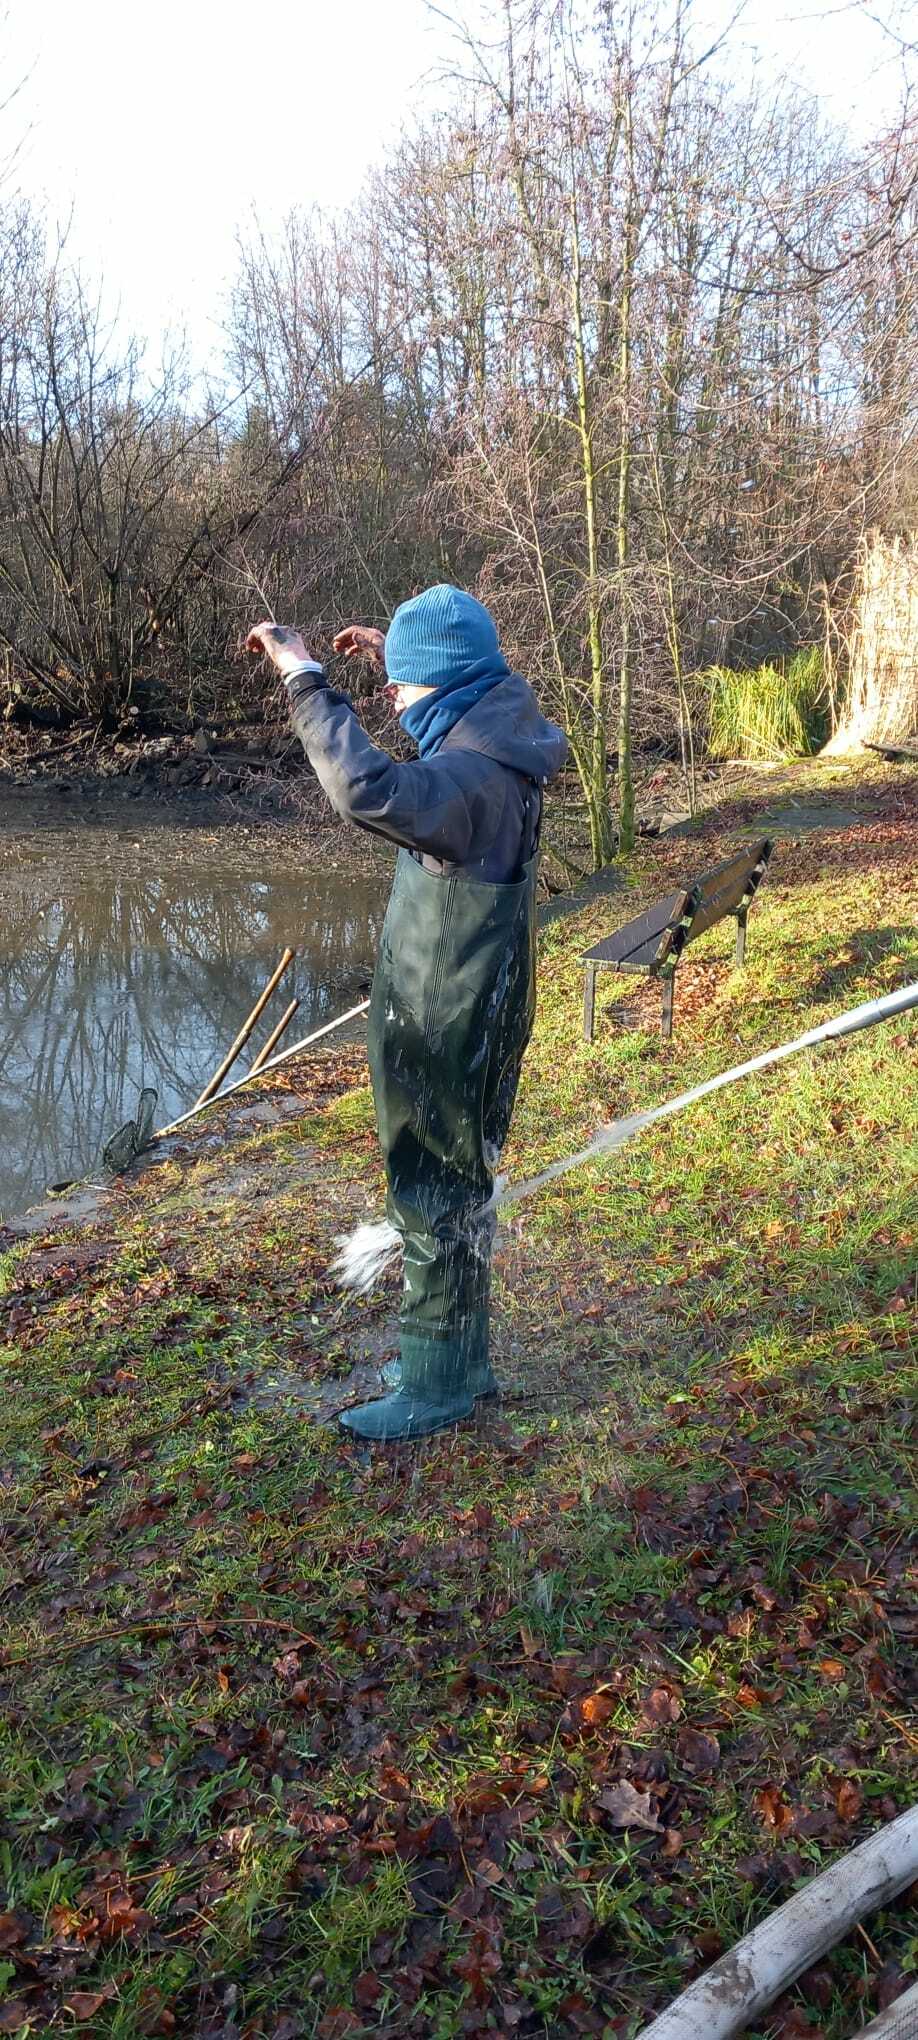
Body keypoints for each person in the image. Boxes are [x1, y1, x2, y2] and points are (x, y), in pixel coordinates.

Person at [246, 584, 568, 1441]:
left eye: (404, 684)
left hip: (444, 1015)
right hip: (481, 1002)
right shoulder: (504, 740)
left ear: (449, 684)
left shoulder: (465, 781)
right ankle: (461, 1363)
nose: (392, 696)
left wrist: (305, 677)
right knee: (462, 1183)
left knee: (431, 1186)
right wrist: (400, 653)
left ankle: (434, 1385)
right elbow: (448, 704)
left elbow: (366, 787)